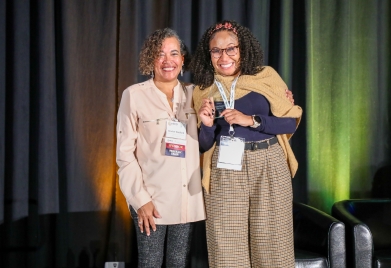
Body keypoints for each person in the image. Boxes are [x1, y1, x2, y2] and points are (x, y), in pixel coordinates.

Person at [190, 20, 303, 267]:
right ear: (208, 55)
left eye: (231, 48)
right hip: (225, 169)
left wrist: (251, 120)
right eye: (216, 51)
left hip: (269, 163)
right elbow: (204, 145)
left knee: (273, 247)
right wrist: (206, 124)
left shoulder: (265, 76)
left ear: (243, 49)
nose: (224, 56)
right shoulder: (203, 90)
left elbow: (290, 122)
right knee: (227, 249)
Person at [116, 28, 206, 267]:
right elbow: (124, 155)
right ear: (150, 59)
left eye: (174, 53)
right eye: (160, 54)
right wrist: (139, 199)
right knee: (150, 263)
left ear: (183, 59)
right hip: (151, 200)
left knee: (179, 263)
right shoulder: (133, 96)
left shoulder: (195, 94)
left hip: (187, 199)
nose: (168, 61)